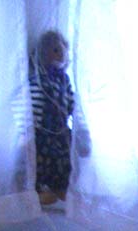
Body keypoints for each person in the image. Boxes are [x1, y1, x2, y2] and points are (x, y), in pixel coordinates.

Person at [28, 30, 91, 206]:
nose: (61, 54)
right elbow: (34, 104)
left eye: (63, 50)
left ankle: (61, 186)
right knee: (42, 161)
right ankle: (40, 189)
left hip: (61, 131)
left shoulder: (64, 80)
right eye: (55, 50)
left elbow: (71, 103)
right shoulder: (39, 80)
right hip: (43, 132)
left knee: (64, 160)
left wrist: (79, 125)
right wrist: (29, 131)